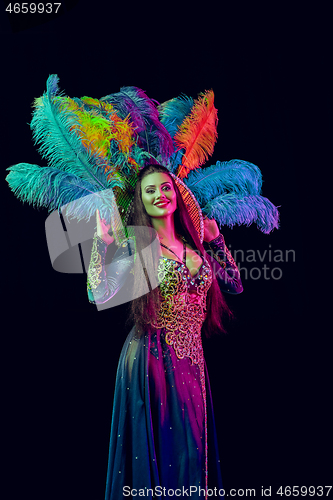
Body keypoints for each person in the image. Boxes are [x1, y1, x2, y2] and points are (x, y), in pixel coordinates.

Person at [87, 164, 243, 499]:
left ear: (177, 193)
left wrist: (216, 240)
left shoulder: (195, 244)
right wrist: (101, 244)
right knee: (159, 451)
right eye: (150, 191)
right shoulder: (137, 246)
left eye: (166, 188)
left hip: (192, 365)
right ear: (141, 201)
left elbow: (234, 284)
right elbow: (97, 292)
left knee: (191, 449)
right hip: (150, 359)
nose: (160, 195)